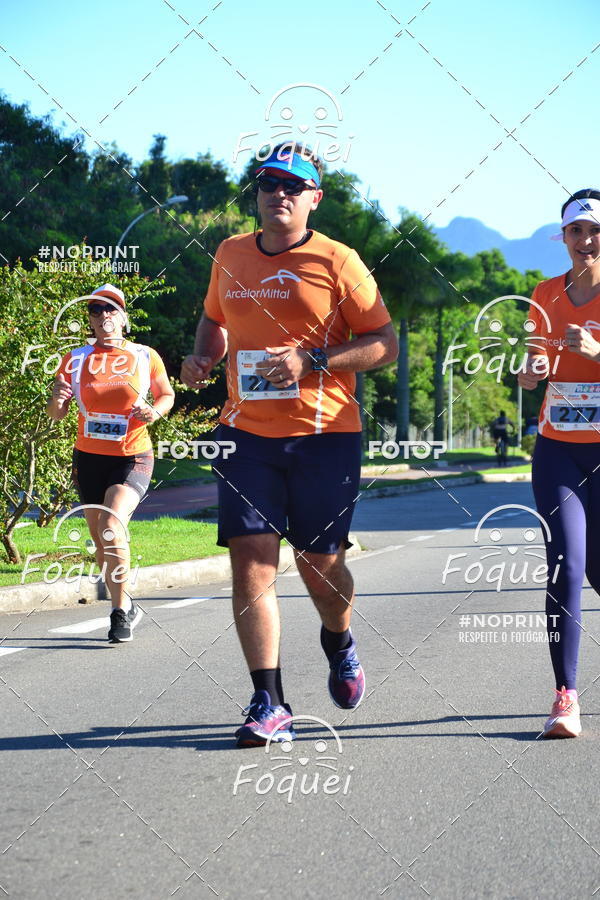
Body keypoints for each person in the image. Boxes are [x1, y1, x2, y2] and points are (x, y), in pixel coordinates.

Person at [181, 142, 398, 747]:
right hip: (244, 435)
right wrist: (204, 355)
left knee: (319, 568)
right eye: (268, 184)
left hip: (325, 437)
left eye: (292, 186)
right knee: (251, 560)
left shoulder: (338, 260)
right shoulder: (229, 253)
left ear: (314, 199)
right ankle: (269, 701)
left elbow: (385, 343)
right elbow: (214, 318)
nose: (279, 194)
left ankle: (339, 640)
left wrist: (313, 360)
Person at [47, 283, 174, 643]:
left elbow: (166, 394)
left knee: (110, 525)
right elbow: (57, 414)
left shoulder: (144, 355)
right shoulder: (75, 359)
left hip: (132, 454)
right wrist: (57, 397)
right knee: (100, 538)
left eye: (111, 309)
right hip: (88, 458)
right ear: (88, 319)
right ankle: (128, 604)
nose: (104, 316)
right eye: (96, 310)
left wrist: (153, 411)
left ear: (123, 317)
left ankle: (118, 612)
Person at [519, 188, 600, 737]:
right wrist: (530, 374)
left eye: (595, 231)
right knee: (567, 565)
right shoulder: (543, 295)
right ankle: (565, 696)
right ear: (563, 237)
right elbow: (534, 368)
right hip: (557, 450)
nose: (587, 241)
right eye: (577, 231)